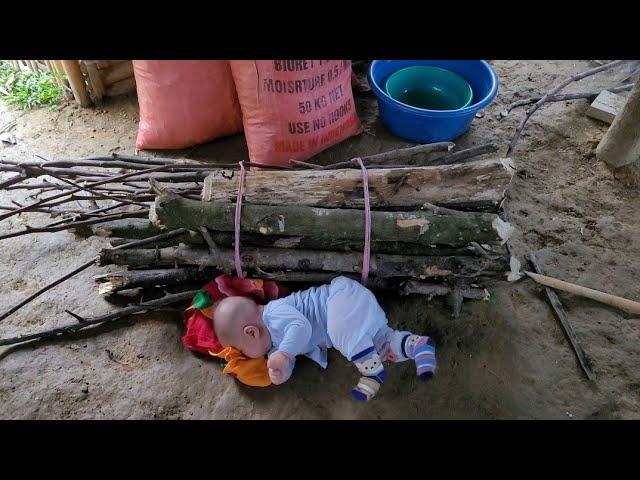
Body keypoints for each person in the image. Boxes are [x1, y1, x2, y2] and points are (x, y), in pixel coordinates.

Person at [213, 276, 436, 401]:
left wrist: (285, 353)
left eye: (243, 351)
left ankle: (373, 373)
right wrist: (281, 371)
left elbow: (301, 329)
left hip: (340, 298)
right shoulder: (274, 347)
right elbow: (288, 358)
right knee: (383, 345)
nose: (247, 357)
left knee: (342, 334)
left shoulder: (273, 313)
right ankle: (418, 346)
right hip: (355, 318)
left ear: (251, 332)